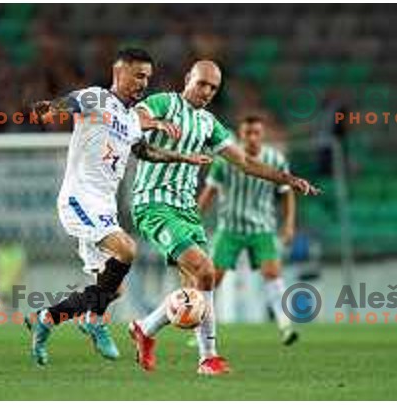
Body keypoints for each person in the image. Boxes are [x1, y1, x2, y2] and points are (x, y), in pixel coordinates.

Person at [128, 61, 320, 375]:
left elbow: (245, 162)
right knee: (205, 270)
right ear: (188, 78)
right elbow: (138, 115)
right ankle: (208, 358)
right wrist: (155, 124)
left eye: (213, 88)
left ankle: (145, 329)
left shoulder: (209, 124)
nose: (206, 92)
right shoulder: (166, 102)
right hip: (153, 204)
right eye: (202, 83)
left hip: (186, 209)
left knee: (196, 289)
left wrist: (286, 178)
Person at [28, 48, 212, 366]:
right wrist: (49, 108)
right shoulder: (97, 98)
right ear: (118, 72)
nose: (143, 83)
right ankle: (95, 319)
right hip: (79, 199)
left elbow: (143, 152)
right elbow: (67, 104)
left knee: (113, 289)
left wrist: (183, 157)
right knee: (127, 250)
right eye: (138, 75)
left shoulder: (130, 118)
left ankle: (47, 319)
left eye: (148, 78)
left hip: (104, 207)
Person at [198, 115, 298, 345]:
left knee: (272, 273)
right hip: (230, 228)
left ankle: (285, 326)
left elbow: (287, 194)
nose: (252, 138)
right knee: (212, 278)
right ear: (240, 135)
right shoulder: (225, 161)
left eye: (256, 133)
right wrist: (194, 219)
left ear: (262, 135)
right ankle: (202, 330)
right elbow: (209, 193)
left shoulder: (275, 159)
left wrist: (290, 223)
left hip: (262, 227)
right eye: (247, 133)